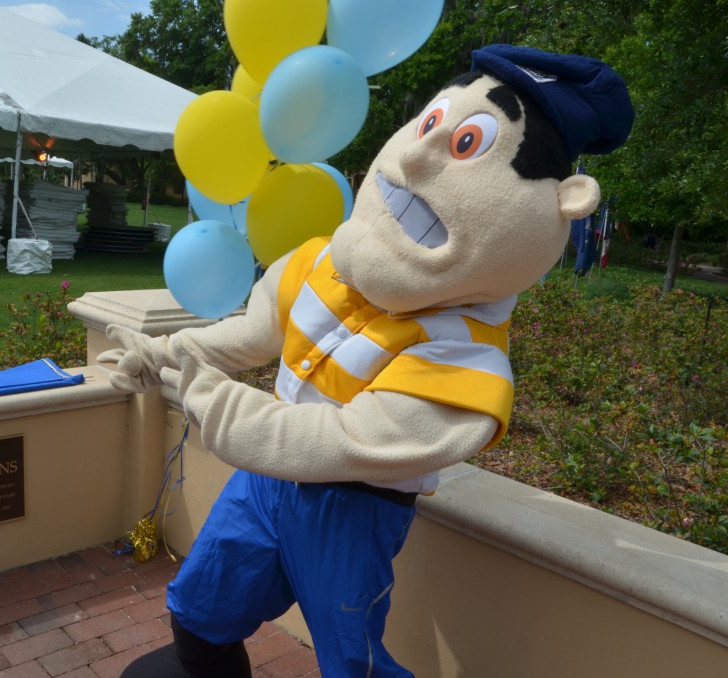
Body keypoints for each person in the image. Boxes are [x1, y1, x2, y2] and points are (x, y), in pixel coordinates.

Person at [102, 44, 634, 677]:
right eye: (430, 124)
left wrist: (214, 401)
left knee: (350, 657)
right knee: (202, 605)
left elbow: (356, 439)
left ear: (560, 203)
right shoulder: (323, 262)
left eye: (465, 144)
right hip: (266, 480)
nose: (415, 155)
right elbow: (251, 334)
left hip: (353, 511)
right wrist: (164, 355)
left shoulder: (465, 351)